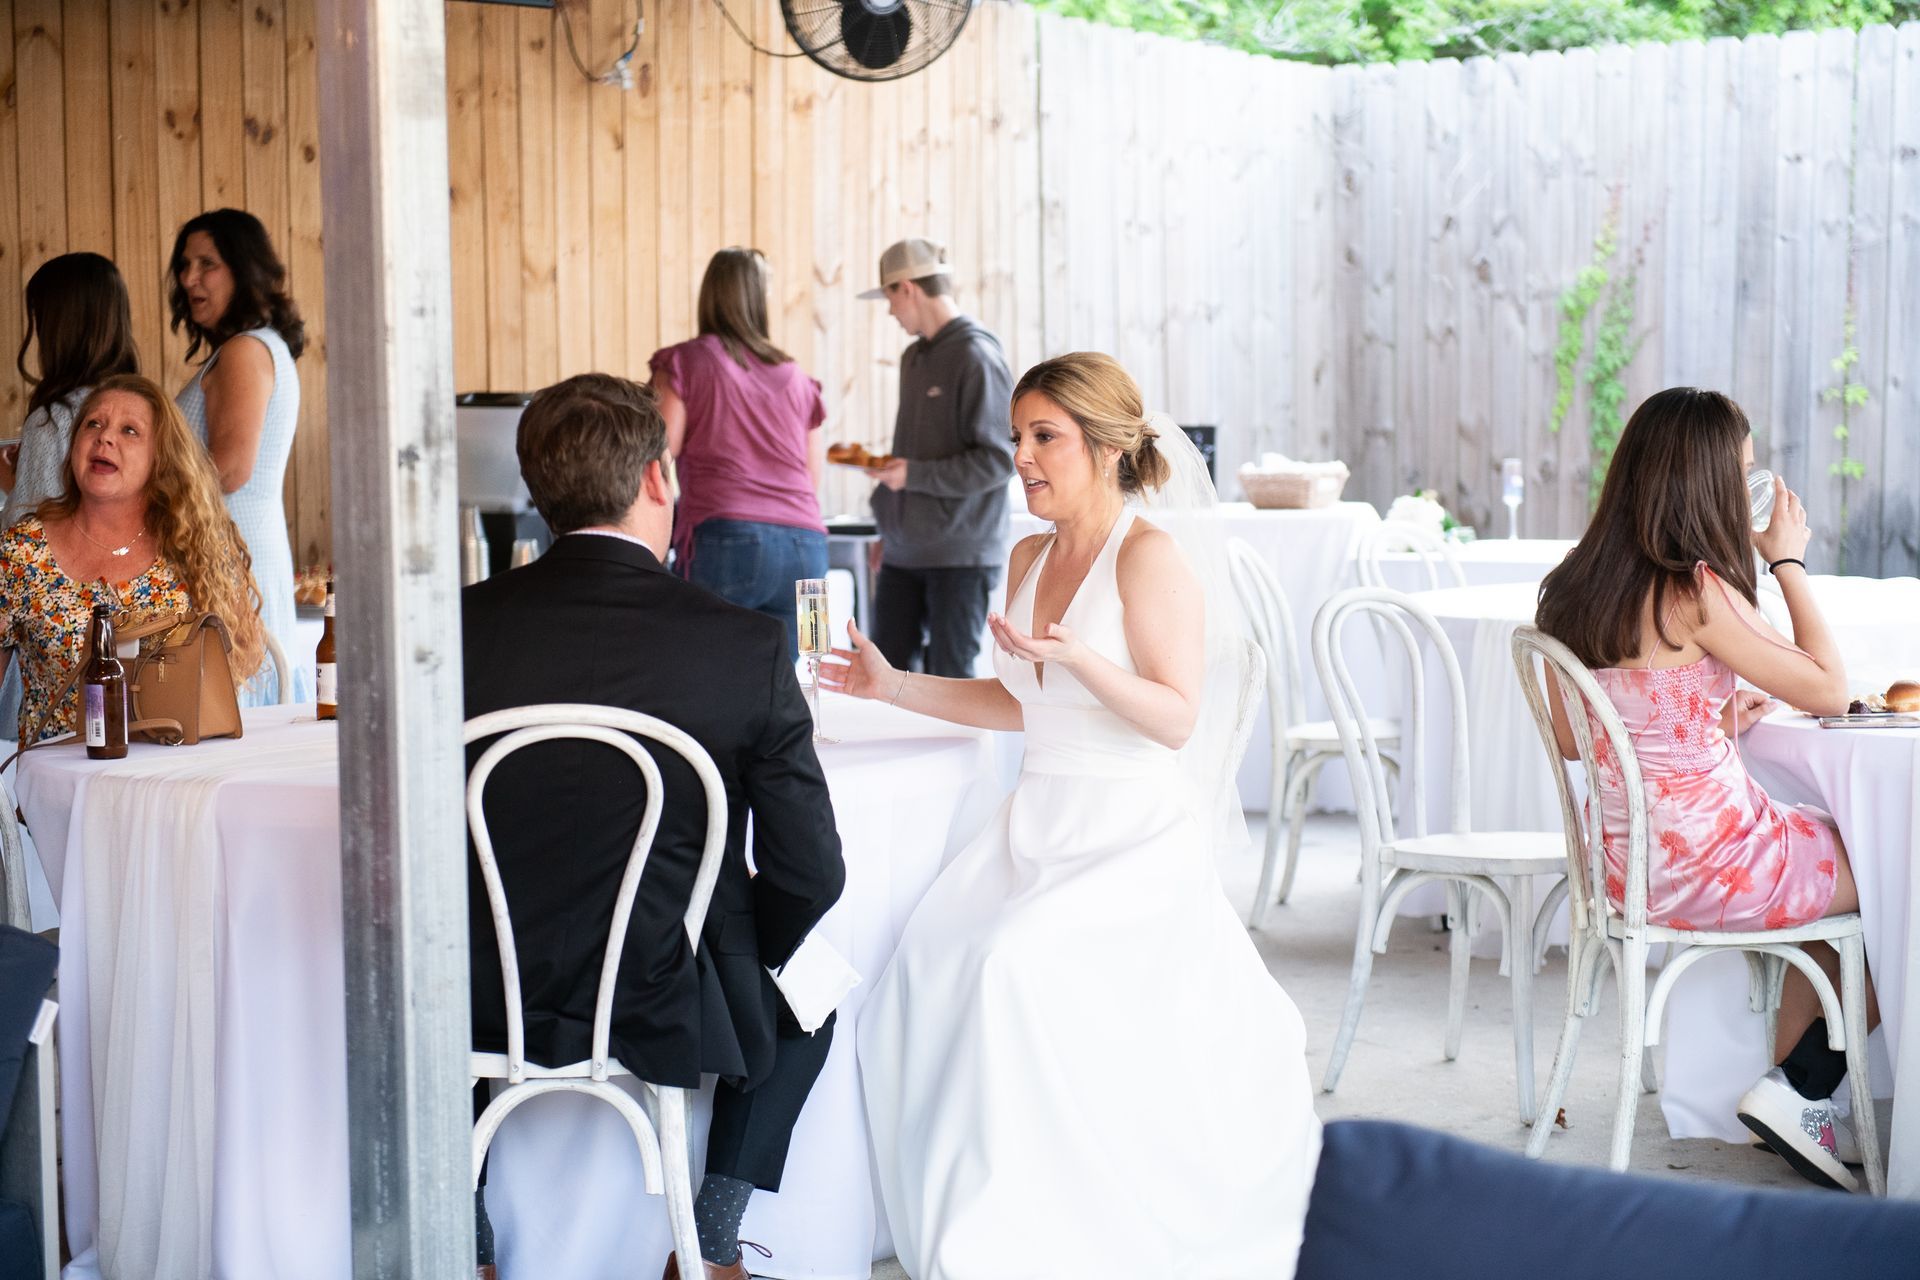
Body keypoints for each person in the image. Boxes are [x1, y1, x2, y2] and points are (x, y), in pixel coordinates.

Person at [822, 353, 1319, 1277]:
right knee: (926, 956)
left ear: (1105, 446)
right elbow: (1017, 702)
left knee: (1009, 964)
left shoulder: (1148, 556)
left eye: (1043, 437)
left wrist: (1083, 662)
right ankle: (971, 1196)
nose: (1022, 457)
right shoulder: (1027, 555)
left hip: (1127, 831)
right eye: (1018, 437)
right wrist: (892, 685)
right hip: (1035, 822)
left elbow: (1176, 719)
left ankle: (1035, 1226)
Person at [461, 373, 846, 1280]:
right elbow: (812, 872)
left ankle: (466, 1242)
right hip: (667, 986)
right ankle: (710, 1244)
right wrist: (743, 945)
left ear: (539, 492)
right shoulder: (745, 645)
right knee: (813, 993)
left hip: (479, 982)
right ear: (655, 478)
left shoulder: (450, 633)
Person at [1536, 387, 1875, 1193]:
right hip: (1712, 863)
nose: (1747, 492)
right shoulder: (1695, 591)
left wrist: (1701, 719)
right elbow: (1830, 689)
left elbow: (1574, 739)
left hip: (1628, 869)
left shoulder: (1573, 587)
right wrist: (1786, 560)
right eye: (1742, 474)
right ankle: (1802, 1091)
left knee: (1834, 890)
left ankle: (1798, 1108)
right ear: (1706, 482)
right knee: (1891, 871)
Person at [0, 374, 265, 746]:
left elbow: (243, 661)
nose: (105, 438)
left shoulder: (194, 544)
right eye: (93, 424)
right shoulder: (21, 552)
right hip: (65, 773)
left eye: (129, 431)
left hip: (174, 767)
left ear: (161, 458)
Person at [650, 248, 829, 657]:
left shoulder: (685, 362)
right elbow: (811, 478)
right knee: (797, 675)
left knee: (709, 670)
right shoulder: (797, 377)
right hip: (807, 550)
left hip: (727, 539)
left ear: (710, 294)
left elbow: (657, 455)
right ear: (761, 299)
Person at [858, 238, 1014, 678]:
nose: (890, 311)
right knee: (884, 677)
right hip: (903, 554)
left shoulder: (976, 356)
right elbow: (912, 452)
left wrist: (915, 476)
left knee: (949, 682)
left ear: (907, 288)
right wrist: (889, 529)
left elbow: (999, 461)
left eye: (889, 297)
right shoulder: (913, 358)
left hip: (960, 558)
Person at [169, 208, 306, 705]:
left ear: (245, 271)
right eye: (185, 265)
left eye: (207, 264)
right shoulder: (251, 347)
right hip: (239, 553)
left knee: (234, 713)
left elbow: (228, 469)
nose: (189, 278)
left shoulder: (245, 351)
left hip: (233, 560)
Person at [7, 253, 141, 528]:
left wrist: (17, 479)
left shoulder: (52, 420)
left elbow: (28, 535)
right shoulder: (149, 409)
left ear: (57, 328)